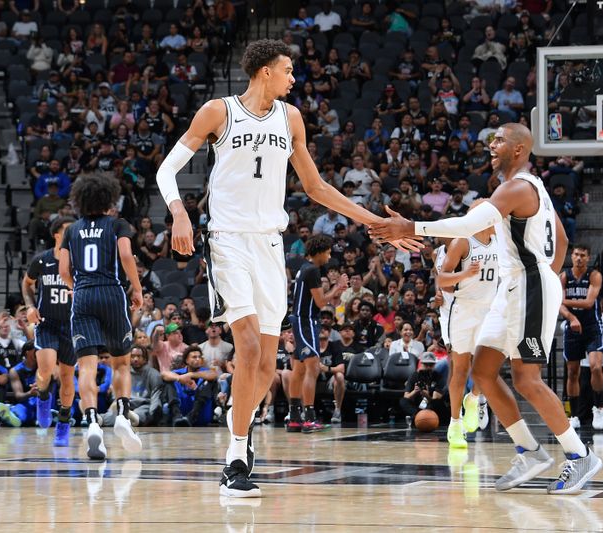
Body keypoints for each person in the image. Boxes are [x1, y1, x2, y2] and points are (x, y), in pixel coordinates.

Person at [155, 39, 419, 498]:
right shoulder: (218, 112)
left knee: (265, 361)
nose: (294, 78)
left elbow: (315, 187)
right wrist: (179, 212)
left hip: (271, 246)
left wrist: (376, 222)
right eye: (288, 70)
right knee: (251, 347)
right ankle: (236, 456)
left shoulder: (290, 117)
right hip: (228, 241)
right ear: (263, 72)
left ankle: (240, 428)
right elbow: (166, 171)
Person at [369, 122, 603, 494]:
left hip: (527, 285)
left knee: (527, 378)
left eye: (498, 140)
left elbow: (469, 223)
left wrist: (409, 226)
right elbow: (561, 237)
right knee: (484, 371)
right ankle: (530, 451)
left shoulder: (518, 187)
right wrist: (546, 273)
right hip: (514, 286)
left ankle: (579, 456)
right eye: (490, 138)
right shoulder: (530, 188)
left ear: (519, 150)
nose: (490, 144)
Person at [58, 176, 143, 460]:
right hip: (111, 293)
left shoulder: (71, 230)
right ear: (109, 199)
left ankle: (92, 421)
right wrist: (138, 288)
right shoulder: (118, 224)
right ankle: (121, 414)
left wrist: (76, 289)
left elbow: (64, 269)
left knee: (86, 367)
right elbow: (126, 255)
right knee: (121, 362)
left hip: (82, 294)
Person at [437, 212, 497, 448]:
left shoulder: (500, 239)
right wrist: (465, 274)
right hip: (463, 311)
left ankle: (474, 399)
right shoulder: (462, 241)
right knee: (460, 369)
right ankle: (455, 424)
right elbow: (442, 280)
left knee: (485, 368)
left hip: (490, 310)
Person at [21, 216, 76, 445]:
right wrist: (30, 306)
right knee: (45, 368)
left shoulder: (79, 262)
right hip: (46, 323)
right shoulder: (42, 260)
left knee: (66, 377)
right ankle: (43, 396)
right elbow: (26, 284)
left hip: (72, 325)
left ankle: (63, 423)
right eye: (68, 231)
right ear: (57, 234)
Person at [287, 235, 347, 433]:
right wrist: (337, 288)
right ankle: (309, 418)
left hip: (299, 320)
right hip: (306, 321)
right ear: (320, 252)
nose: (329, 256)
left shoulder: (304, 268)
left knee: (298, 370)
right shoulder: (312, 270)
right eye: (328, 252)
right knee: (312, 368)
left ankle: (295, 417)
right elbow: (321, 302)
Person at [559, 244, 603, 431]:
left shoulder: (594, 275)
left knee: (595, 367)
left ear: (588, 258)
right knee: (572, 373)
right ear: (571, 256)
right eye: (576, 254)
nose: (578, 258)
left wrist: (562, 300)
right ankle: (575, 416)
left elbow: (588, 302)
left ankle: (599, 408)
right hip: (573, 327)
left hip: (592, 327)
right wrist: (571, 317)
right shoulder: (564, 276)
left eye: (582, 255)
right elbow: (560, 308)